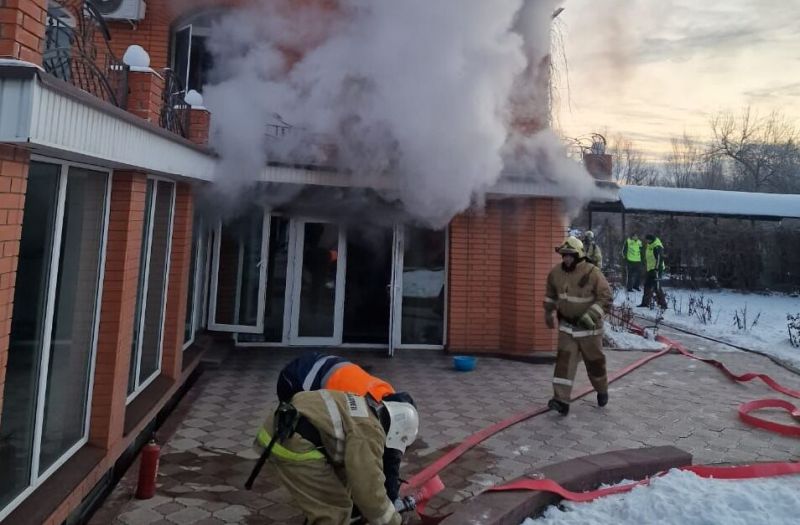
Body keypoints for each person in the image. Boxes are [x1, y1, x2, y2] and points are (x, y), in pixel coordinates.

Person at [252, 390, 418, 525]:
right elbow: (369, 490)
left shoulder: (365, 407)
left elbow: (353, 472)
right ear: (396, 432)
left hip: (282, 427)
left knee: (343, 484)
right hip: (291, 443)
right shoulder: (370, 433)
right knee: (335, 510)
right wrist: (393, 521)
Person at [276, 352, 408, 503]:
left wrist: (391, 493)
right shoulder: (363, 412)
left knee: (351, 449)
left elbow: (390, 455)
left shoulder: (389, 397)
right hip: (295, 379)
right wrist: (385, 498)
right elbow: (366, 457)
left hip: (324, 365)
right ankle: (312, 487)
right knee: (310, 438)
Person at [543, 236, 612, 416]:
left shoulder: (593, 273)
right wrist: (548, 311)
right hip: (567, 328)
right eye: (564, 255)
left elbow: (606, 298)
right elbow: (550, 294)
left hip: (590, 330)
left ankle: (602, 389)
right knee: (564, 364)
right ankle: (561, 401)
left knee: (595, 364)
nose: (566, 259)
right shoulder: (556, 273)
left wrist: (591, 315)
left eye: (570, 255)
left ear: (579, 255)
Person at [639, 234, 667, 309]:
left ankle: (663, 304)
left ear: (650, 239)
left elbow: (659, 258)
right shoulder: (650, 245)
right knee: (647, 286)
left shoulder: (657, 246)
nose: (646, 241)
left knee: (657, 287)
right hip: (650, 269)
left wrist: (657, 268)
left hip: (656, 269)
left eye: (647, 240)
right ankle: (645, 303)